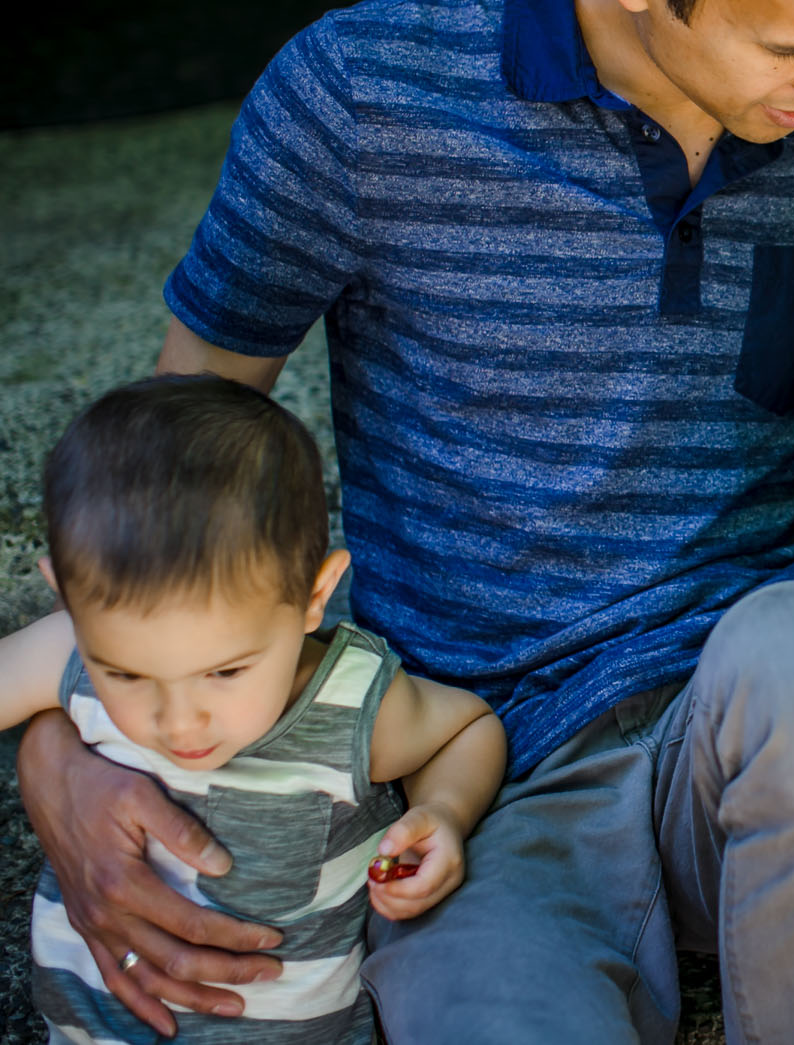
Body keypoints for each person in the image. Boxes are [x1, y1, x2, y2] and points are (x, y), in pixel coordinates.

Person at [15, 0, 794, 1044]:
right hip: (478, 777)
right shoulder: (358, 98)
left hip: (764, 724)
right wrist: (60, 751)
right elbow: (167, 475)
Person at [8, 375, 505, 1044]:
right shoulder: (75, 642)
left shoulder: (352, 701)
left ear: (313, 595)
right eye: (124, 672)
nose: (178, 721)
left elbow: (466, 729)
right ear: (65, 595)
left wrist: (444, 809)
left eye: (225, 671)